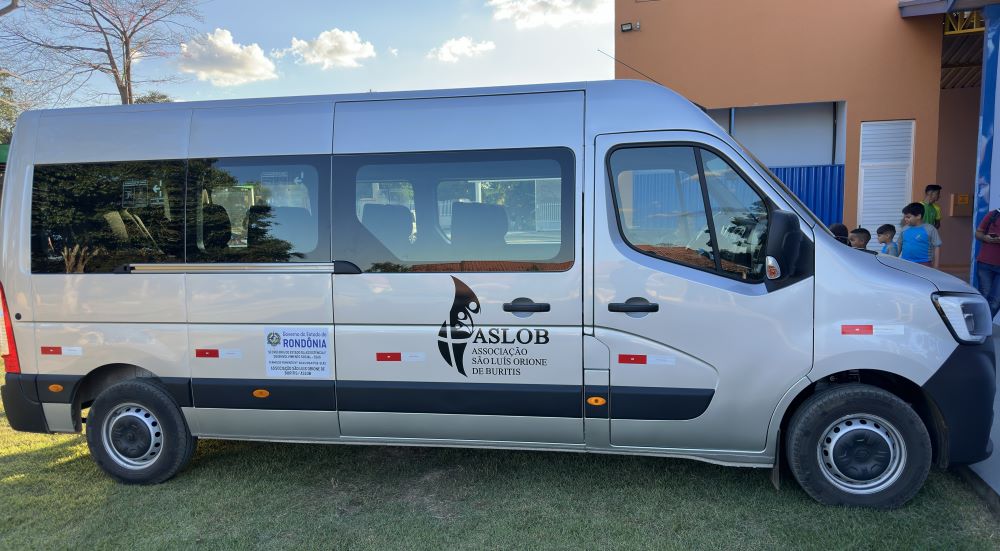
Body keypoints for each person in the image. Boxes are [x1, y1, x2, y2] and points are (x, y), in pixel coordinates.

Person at [897, 202, 941, 268]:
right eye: (905, 217)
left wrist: (936, 266)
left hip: (924, 264)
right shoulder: (904, 229)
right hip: (905, 263)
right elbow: (899, 244)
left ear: (918, 216)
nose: (905, 219)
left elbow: (937, 247)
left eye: (908, 217)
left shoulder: (930, 229)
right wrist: (893, 260)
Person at [975, 207, 1000, 316]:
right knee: (984, 297)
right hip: (985, 264)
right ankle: (982, 324)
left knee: (996, 302)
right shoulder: (993, 214)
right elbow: (978, 233)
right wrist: (986, 238)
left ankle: (983, 323)